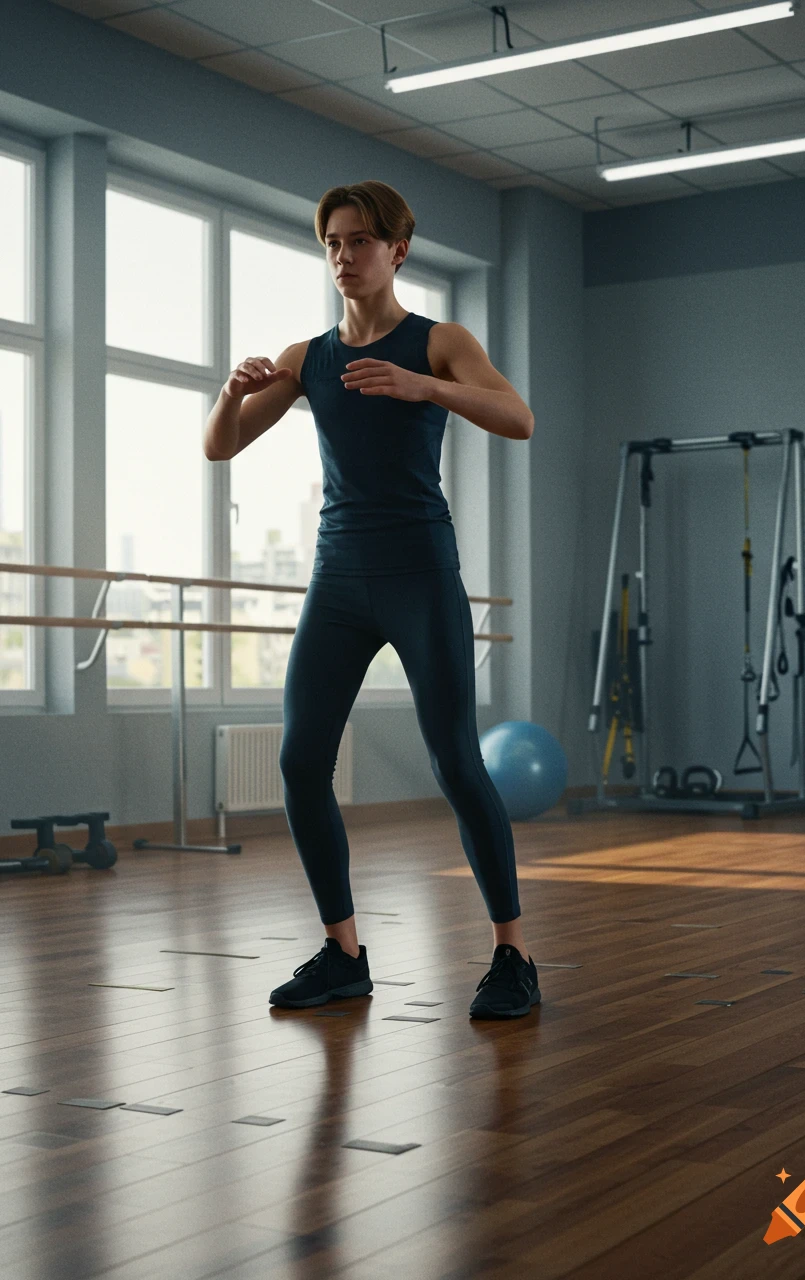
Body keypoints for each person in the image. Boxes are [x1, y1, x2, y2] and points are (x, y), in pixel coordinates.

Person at [204, 180, 539, 1019]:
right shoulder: (309, 356)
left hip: (419, 572)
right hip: (339, 579)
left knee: (456, 761)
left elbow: (518, 417)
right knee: (299, 762)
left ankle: (512, 955)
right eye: (332, 242)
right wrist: (231, 391)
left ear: (398, 250)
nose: (344, 256)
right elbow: (221, 447)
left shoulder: (439, 341)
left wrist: (429, 387)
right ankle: (344, 953)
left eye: (359, 241)